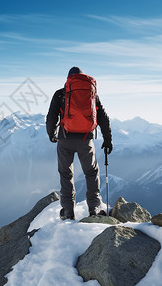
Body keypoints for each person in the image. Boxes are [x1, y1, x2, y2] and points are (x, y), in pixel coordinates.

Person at [46, 66, 113, 220]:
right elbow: (103, 117)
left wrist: (51, 134)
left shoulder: (61, 94)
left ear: (68, 79)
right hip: (86, 140)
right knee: (91, 173)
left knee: (66, 174)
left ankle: (68, 211)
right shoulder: (91, 94)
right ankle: (95, 208)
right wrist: (108, 139)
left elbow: (51, 116)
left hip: (64, 139)